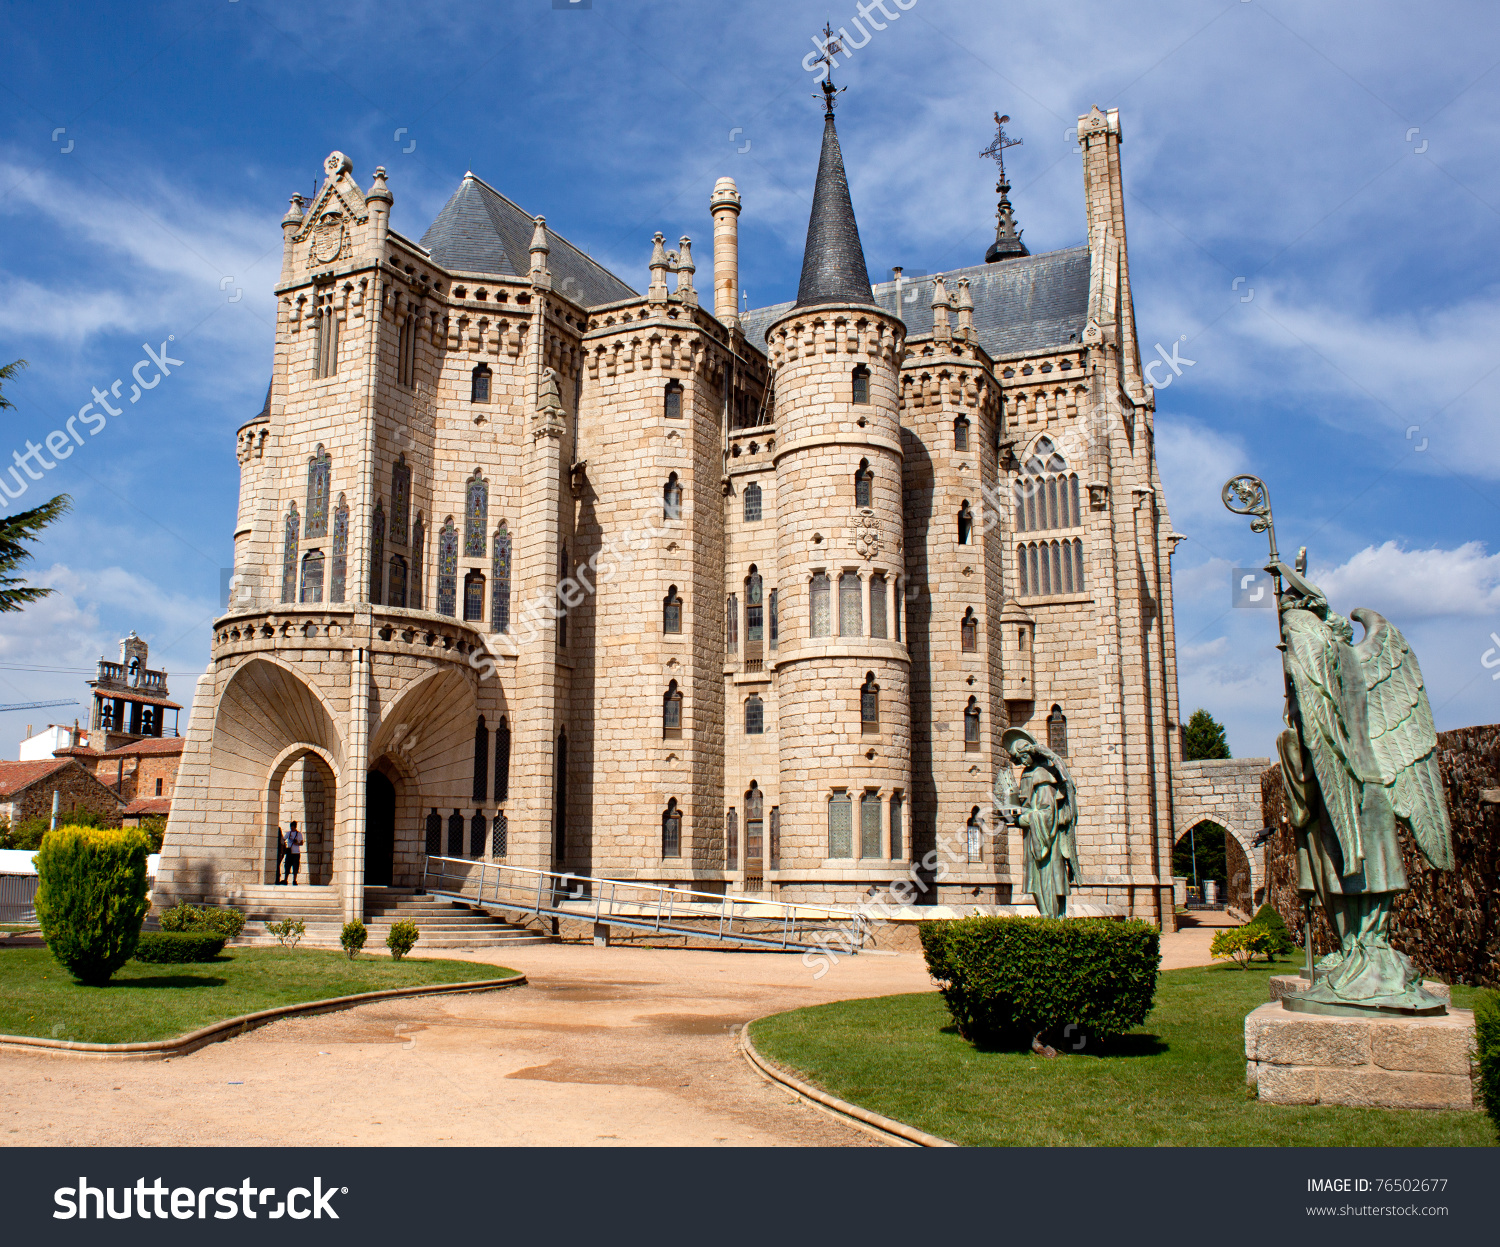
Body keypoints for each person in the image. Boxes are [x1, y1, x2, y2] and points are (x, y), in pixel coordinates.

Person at [283, 820, 304, 886]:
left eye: (292, 827)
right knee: (287, 866)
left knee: (295, 866)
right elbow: (283, 839)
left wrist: (296, 842)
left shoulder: (299, 834)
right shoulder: (288, 833)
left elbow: (301, 843)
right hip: (289, 852)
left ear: (295, 827)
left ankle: (294, 880)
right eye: (291, 827)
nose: (291, 829)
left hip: (296, 853)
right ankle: (285, 879)